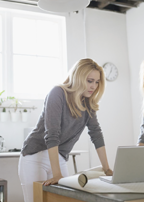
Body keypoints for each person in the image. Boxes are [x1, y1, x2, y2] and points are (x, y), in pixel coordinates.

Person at [18, 58, 113, 202]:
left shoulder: (88, 103)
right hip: (34, 157)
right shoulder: (58, 93)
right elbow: (52, 134)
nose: (93, 86)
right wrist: (57, 174)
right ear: (78, 77)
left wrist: (107, 169)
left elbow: (96, 133)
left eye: (97, 82)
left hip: (60, 157)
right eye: (89, 80)